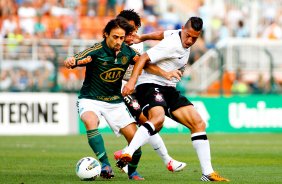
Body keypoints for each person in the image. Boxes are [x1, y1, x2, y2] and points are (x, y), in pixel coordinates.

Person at [117, 17, 230, 182]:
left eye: (195, 38)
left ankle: (208, 173)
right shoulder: (172, 45)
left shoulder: (177, 33)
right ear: (183, 28)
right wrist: (132, 82)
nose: (190, 40)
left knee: (198, 123)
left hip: (169, 88)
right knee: (157, 119)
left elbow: (161, 34)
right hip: (150, 84)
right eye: (188, 36)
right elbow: (143, 58)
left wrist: (142, 37)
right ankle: (128, 152)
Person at [64, 17, 144, 180]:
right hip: (90, 98)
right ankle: (105, 164)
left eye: (122, 38)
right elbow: (78, 58)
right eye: (115, 37)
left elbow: (144, 61)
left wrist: (166, 73)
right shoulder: (96, 51)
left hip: (115, 102)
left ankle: (132, 171)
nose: (119, 41)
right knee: (90, 121)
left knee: (136, 141)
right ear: (106, 34)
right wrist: (71, 61)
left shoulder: (128, 53)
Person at [114, 9, 186, 173]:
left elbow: (143, 62)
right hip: (119, 87)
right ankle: (165, 160)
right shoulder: (114, 40)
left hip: (135, 86)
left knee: (151, 123)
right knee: (147, 121)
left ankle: (127, 153)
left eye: (135, 29)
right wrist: (165, 72)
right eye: (131, 29)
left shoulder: (136, 42)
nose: (133, 33)